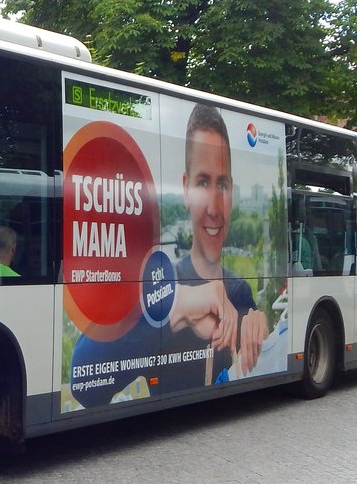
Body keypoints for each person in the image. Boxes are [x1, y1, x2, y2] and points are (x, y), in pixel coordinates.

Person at [70, 104, 269, 407]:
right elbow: (83, 382)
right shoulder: (162, 282)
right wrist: (178, 307)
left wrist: (262, 333)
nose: (214, 208)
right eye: (203, 183)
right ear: (186, 190)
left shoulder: (240, 289)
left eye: (223, 184)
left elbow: (254, 371)